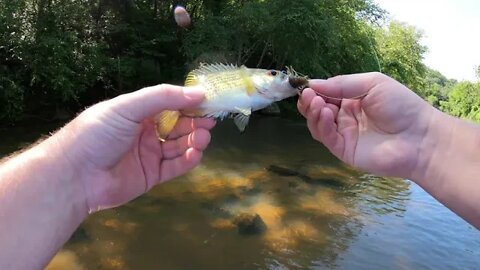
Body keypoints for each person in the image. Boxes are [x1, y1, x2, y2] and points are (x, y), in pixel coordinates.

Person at [0, 72, 478, 269]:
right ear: (261, 80)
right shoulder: (253, 86)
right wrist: (425, 143)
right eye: (276, 78)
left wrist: (73, 174)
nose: (282, 81)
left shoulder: (264, 90)